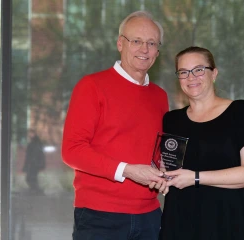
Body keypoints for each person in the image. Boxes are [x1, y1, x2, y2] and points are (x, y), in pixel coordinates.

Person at [62, 11, 169, 240]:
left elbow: (157, 153)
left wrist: (165, 172)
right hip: (99, 216)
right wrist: (127, 170)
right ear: (120, 43)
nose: (144, 49)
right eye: (136, 41)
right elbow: (72, 150)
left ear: (157, 53)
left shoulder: (160, 96)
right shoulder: (91, 86)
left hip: (150, 215)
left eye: (151, 43)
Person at [159, 46, 244, 240]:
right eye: (183, 72)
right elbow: (171, 166)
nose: (191, 77)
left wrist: (195, 178)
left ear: (214, 73)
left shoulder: (242, 113)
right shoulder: (172, 120)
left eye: (199, 69)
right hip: (179, 225)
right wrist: (162, 174)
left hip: (230, 225)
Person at [23, 130, 46, 194]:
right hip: (33, 164)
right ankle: (35, 190)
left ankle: (36, 190)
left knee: (31, 177)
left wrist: (35, 162)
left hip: (34, 164)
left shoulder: (36, 143)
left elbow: (37, 154)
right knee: (30, 178)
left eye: (31, 133)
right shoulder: (34, 142)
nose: (29, 135)